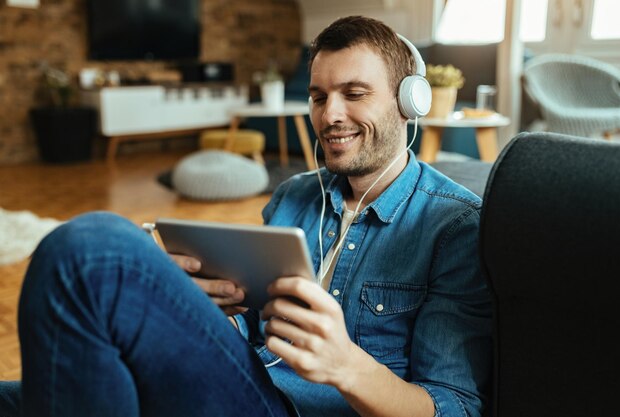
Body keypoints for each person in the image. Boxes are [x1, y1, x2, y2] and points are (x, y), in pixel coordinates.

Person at [0, 15, 492, 417]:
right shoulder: (293, 197)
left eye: (354, 93)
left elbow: (455, 408)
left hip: (289, 410)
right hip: (237, 384)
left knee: (91, 252)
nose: (329, 115)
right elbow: (253, 331)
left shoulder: (452, 227)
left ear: (410, 103)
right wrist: (208, 307)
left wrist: (346, 366)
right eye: (319, 97)